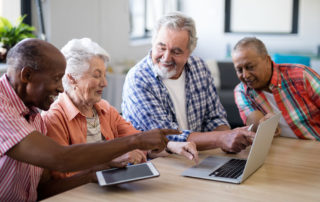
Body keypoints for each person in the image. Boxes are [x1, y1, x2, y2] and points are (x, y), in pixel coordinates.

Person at [0, 38, 179, 201]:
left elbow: (44, 190)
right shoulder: (4, 108)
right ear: (27, 76)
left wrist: (95, 172)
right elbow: (61, 158)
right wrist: (135, 141)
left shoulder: (34, 117)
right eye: (56, 79)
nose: (61, 89)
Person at [42, 38, 198, 180]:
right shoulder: (54, 117)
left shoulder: (105, 109)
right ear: (71, 78)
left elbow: (139, 141)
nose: (104, 83)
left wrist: (172, 147)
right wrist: (107, 162)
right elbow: (62, 176)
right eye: (97, 76)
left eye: (104, 75)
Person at [121, 12, 255, 153]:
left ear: (189, 52)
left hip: (195, 157)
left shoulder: (199, 67)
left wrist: (229, 140)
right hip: (156, 162)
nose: (166, 58)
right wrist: (222, 138)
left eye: (176, 51)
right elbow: (166, 137)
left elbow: (214, 118)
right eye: (161, 48)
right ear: (153, 43)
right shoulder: (138, 79)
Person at [232, 37, 320, 140]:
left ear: (267, 60)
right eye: (239, 70)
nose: (245, 75)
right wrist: (264, 127)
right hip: (280, 150)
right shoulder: (242, 91)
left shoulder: (301, 75)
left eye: (250, 67)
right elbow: (255, 124)